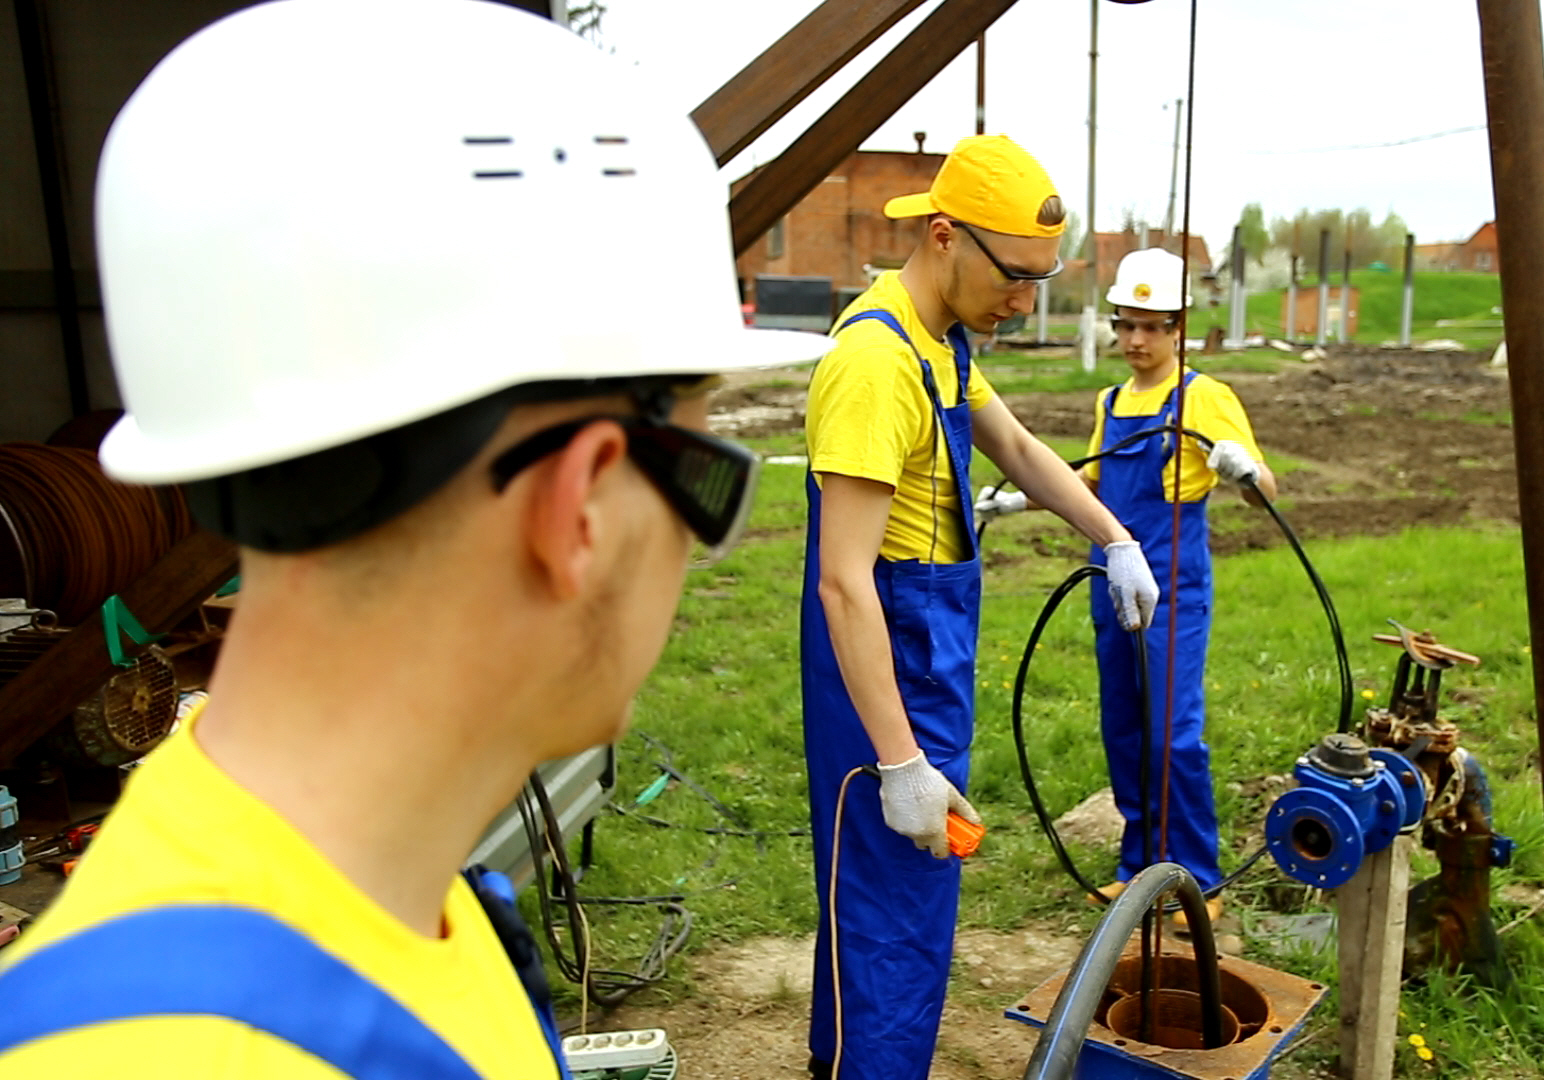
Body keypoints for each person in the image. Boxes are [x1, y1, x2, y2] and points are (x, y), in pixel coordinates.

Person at [0, 2, 827, 1077]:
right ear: (583, 508)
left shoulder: (393, 903)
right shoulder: (186, 1045)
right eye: (710, 489)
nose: (691, 549)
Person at [801, 134, 1160, 1078]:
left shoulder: (944, 342)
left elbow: (1023, 451)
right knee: (889, 910)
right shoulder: (874, 365)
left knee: (903, 899)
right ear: (947, 236)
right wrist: (899, 760)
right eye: (1017, 275)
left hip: (929, 648)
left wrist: (1112, 535)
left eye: (1042, 279)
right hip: (882, 662)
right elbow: (843, 580)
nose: (1026, 300)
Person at [977, 246, 1278, 924]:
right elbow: (1090, 483)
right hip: (1111, 584)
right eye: (1126, 325)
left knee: (1171, 733)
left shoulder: (1205, 397)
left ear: (1179, 328)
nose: (1136, 340)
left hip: (1175, 585)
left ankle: (1199, 876)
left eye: (1151, 326)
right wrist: (1015, 502)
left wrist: (1240, 468)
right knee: (1124, 729)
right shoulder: (1110, 400)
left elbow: (1269, 492)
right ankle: (1139, 863)